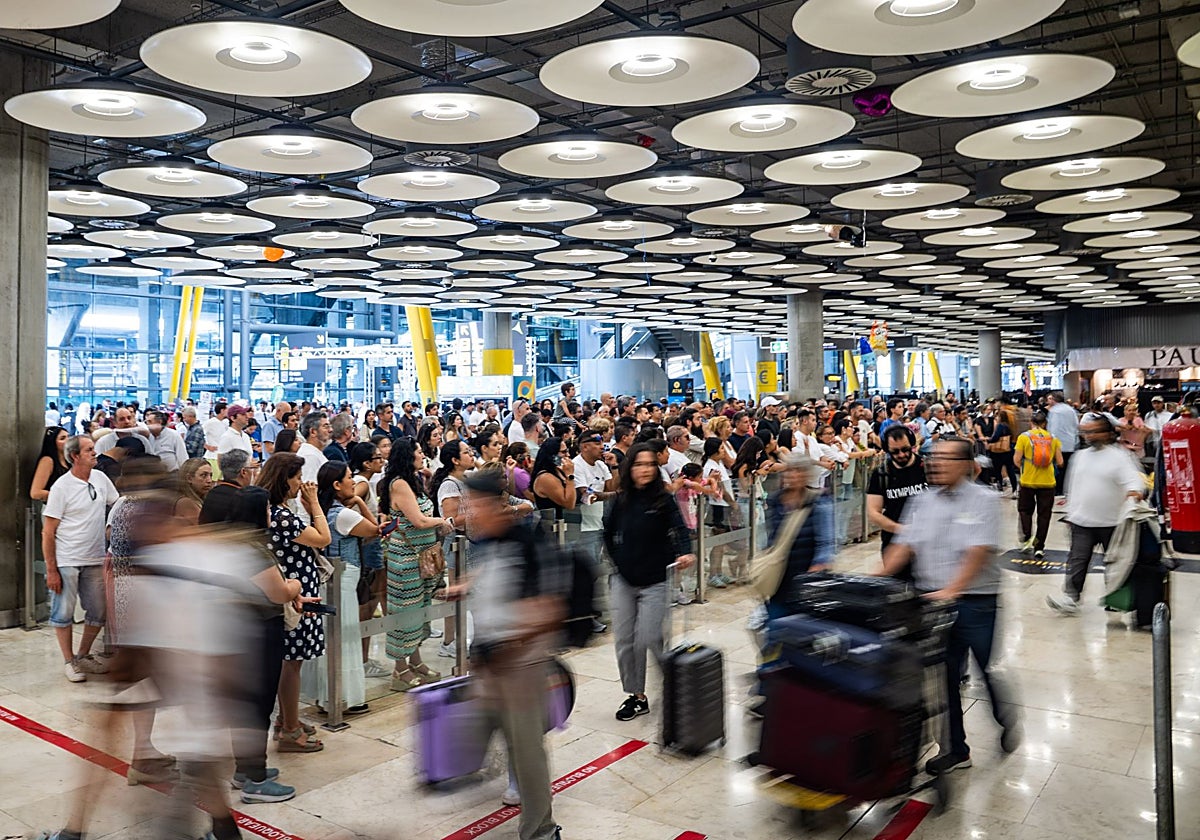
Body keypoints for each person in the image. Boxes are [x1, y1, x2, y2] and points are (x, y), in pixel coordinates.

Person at [881, 437, 1019, 776]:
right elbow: (905, 545)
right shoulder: (921, 500)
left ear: (965, 464)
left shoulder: (984, 500)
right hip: (932, 602)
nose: (934, 463)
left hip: (976, 601)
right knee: (943, 679)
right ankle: (956, 749)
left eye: (943, 458)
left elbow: (978, 551)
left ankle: (1005, 717)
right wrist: (875, 579)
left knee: (985, 668)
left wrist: (953, 590)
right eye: (931, 457)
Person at [439, 470, 564, 840]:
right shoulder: (490, 541)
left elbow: (549, 606)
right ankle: (459, 773)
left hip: (521, 665)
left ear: (496, 504)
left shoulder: (527, 540)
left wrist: (514, 641)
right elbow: (494, 580)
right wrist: (465, 586)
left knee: (527, 751)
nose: (472, 512)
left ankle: (541, 829)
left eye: (476, 504)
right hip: (491, 662)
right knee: (481, 729)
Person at [603, 442, 696, 722]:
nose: (644, 470)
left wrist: (684, 552)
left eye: (650, 465)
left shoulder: (662, 499)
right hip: (624, 579)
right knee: (625, 640)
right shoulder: (620, 500)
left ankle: (674, 686)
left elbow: (679, 528)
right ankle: (636, 696)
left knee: (650, 636)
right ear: (629, 467)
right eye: (639, 464)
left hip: (656, 579)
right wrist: (618, 562)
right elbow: (607, 535)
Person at [255, 452, 331, 753]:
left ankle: (288, 719)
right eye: (296, 478)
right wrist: (313, 504)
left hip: (294, 586)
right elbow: (323, 538)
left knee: (292, 660)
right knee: (293, 662)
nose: (301, 483)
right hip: (294, 592)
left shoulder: (275, 510)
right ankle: (289, 728)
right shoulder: (282, 516)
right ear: (283, 480)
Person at [1047, 416, 1145, 616]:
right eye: (1086, 432)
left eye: (1094, 431)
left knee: (1117, 563)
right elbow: (1073, 487)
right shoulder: (1079, 456)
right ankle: (1071, 598)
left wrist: (1135, 492)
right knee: (1077, 561)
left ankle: (1117, 599)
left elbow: (1135, 481)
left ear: (1108, 433)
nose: (1089, 436)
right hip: (1082, 521)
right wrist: (1071, 513)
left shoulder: (1120, 457)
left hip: (1113, 522)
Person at [42, 435, 120, 683]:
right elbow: (48, 531)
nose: (95, 453)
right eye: (89, 450)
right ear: (75, 456)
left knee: (98, 610)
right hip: (67, 559)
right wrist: (52, 569)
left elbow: (115, 504)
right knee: (63, 611)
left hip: (95, 557)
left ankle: (83, 655)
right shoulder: (61, 487)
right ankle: (69, 660)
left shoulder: (100, 479)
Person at [306, 461, 377, 716]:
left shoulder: (323, 511)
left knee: (331, 637)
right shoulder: (345, 514)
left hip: (330, 578)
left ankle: (327, 696)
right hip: (345, 579)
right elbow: (376, 530)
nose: (353, 482)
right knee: (345, 637)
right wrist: (359, 503)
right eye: (349, 478)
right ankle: (346, 697)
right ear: (337, 485)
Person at [380, 437, 450, 691]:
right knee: (405, 612)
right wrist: (444, 521)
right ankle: (400, 668)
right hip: (407, 558)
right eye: (419, 452)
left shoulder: (416, 479)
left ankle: (416, 661)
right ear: (407, 456)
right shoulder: (398, 484)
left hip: (424, 555)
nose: (423, 455)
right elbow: (419, 521)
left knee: (421, 610)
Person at [349, 441, 388, 677]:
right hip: (368, 547)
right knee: (368, 602)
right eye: (377, 457)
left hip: (369, 545)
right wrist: (370, 524)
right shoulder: (361, 483)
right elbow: (347, 502)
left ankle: (363, 657)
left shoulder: (362, 482)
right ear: (366, 462)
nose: (381, 460)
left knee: (370, 601)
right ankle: (362, 659)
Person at [866, 426, 928, 560]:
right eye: (895, 451)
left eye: (905, 449)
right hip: (894, 544)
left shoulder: (928, 468)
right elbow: (873, 512)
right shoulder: (881, 474)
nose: (901, 455)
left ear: (912, 444)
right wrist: (901, 529)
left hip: (928, 543)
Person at [1013, 411, 1063, 560]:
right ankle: (1039, 547)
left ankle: (1027, 537)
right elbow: (1060, 462)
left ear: (1031, 422)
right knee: (1044, 515)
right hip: (1047, 482)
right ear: (1045, 424)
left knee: (1025, 510)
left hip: (1028, 481)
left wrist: (1024, 467)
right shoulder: (1053, 439)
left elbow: (1016, 459)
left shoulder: (1024, 437)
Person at [199, 449, 256, 525]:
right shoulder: (245, 498)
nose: (254, 472)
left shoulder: (213, 492)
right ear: (243, 472)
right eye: (252, 468)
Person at [530, 437, 577, 529]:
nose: (568, 455)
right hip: (551, 530)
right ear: (552, 455)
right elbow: (569, 504)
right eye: (563, 452)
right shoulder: (545, 478)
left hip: (565, 526)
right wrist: (570, 476)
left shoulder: (558, 470)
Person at [31, 425, 70, 502]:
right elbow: (35, 493)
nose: (67, 440)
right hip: (54, 507)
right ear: (52, 442)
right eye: (62, 438)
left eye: (68, 436)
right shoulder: (47, 461)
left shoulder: (69, 460)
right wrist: (64, 497)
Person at [987, 405, 1018, 497]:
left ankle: (1000, 488)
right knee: (1010, 470)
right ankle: (1015, 489)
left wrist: (988, 440)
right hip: (1008, 450)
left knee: (998, 469)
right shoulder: (1010, 426)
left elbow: (995, 437)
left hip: (999, 452)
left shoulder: (1000, 425)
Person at [174, 457, 213, 524]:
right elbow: (204, 529)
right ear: (189, 478)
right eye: (203, 475)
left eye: (211, 475)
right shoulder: (185, 502)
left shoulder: (203, 499)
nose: (209, 480)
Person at [297, 412, 331, 483]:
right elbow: (309, 489)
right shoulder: (310, 456)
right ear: (313, 432)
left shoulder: (314, 453)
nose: (330, 430)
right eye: (325, 426)